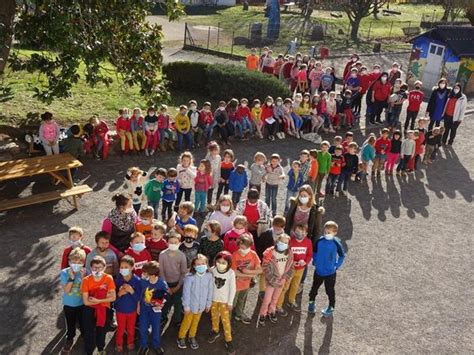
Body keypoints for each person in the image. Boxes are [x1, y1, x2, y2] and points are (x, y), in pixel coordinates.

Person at [308, 221, 346, 317]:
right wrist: (315, 261)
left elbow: (342, 256)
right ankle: (311, 303)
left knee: (330, 290)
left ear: (335, 232)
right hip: (318, 271)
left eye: (329, 232)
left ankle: (331, 306)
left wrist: (336, 265)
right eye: (325, 232)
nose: (326, 234)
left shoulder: (336, 243)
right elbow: (315, 252)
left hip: (330, 273)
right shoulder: (319, 241)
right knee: (314, 288)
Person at [81, 255, 117, 355]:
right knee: (88, 330)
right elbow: (85, 302)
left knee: (101, 330)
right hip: (89, 309)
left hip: (103, 309)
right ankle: (89, 350)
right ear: (90, 268)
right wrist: (104, 299)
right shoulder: (86, 280)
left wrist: (97, 300)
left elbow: (113, 298)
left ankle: (100, 349)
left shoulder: (108, 278)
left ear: (104, 268)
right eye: (94, 267)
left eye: (100, 267)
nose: (97, 270)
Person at [177, 254, 214, 350]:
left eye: (203, 263)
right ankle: (181, 337)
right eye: (198, 264)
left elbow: (210, 290)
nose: (201, 266)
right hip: (191, 306)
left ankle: (192, 336)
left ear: (206, 264)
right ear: (194, 266)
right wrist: (186, 307)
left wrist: (208, 303)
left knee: (195, 322)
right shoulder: (190, 277)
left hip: (201, 306)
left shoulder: (209, 276)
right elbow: (186, 293)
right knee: (187, 322)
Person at [258, 234, 294, 326]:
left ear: (288, 244)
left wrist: (285, 278)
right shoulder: (270, 252)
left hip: (281, 280)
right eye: (281, 241)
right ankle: (263, 313)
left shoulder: (289, 253)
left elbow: (291, 267)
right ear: (277, 241)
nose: (283, 244)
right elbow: (265, 267)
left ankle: (272, 311)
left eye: (286, 242)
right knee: (267, 299)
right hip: (271, 281)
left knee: (275, 298)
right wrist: (273, 279)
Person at [276, 224, 312, 314]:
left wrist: (305, 262)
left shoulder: (308, 242)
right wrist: (291, 263)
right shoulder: (290, 242)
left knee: (295, 285)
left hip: (300, 269)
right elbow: (285, 254)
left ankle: (291, 300)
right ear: (293, 232)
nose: (300, 234)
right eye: (297, 232)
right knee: (285, 287)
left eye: (302, 232)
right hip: (290, 269)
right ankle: (278, 305)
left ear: (306, 233)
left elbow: (309, 254)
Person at [208, 251, 236, 354]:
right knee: (214, 317)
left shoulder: (231, 273)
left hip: (224, 302)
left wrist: (230, 302)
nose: (220, 264)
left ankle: (228, 340)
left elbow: (232, 289)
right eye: (219, 261)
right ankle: (215, 331)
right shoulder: (213, 270)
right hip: (213, 300)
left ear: (229, 263)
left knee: (225, 321)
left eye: (224, 262)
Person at [60, 248, 86, 353]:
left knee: (83, 322)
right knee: (70, 324)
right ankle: (70, 338)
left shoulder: (84, 272)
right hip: (69, 305)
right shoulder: (64, 272)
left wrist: (83, 278)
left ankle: (85, 336)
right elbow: (66, 290)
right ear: (69, 261)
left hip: (81, 304)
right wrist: (71, 278)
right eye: (74, 262)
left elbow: (83, 290)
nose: (76, 264)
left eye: (79, 262)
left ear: (83, 263)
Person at [138, 261, 168, 355]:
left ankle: (156, 345)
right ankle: (144, 345)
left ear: (153, 274)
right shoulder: (143, 281)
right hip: (144, 309)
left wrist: (162, 304)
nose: (143, 274)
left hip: (156, 310)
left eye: (145, 273)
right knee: (142, 328)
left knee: (156, 328)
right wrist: (138, 306)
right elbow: (140, 294)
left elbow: (165, 296)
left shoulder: (161, 283)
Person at [231, 235, 262, 324]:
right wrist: (248, 275)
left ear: (250, 246)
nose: (243, 250)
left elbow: (259, 270)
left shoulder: (253, 254)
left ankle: (238, 314)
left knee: (242, 299)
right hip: (236, 284)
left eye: (245, 248)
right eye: (241, 247)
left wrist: (247, 272)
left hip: (246, 284)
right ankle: (228, 317)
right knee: (233, 301)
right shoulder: (235, 255)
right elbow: (234, 271)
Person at [159, 233, 188, 329]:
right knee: (165, 302)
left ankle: (177, 319)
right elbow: (161, 271)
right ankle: (163, 317)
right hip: (165, 283)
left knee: (178, 302)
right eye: (171, 242)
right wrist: (166, 286)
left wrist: (178, 286)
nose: (173, 244)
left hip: (178, 283)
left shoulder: (181, 255)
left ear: (179, 243)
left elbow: (183, 272)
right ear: (167, 243)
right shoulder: (162, 255)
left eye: (175, 242)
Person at [114, 255, 141, 353]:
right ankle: (119, 343)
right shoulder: (118, 280)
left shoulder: (137, 281)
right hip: (120, 311)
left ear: (132, 267)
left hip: (132, 311)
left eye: (126, 267)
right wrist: (119, 294)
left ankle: (130, 342)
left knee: (131, 329)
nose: (123, 269)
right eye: (121, 267)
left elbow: (139, 298)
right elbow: (113, 299)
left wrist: (132, 291)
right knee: (120, 329)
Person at [205, 141, 221, 206]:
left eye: (216, 150)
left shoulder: (218, 157)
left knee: (213, 188)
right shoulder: (208, 157)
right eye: (212, 150)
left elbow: (219, 167)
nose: (214, 152)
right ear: (210, 151)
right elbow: (205, 166)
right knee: (209, 189)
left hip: (215, 175)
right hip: (209, 175)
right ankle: (209, 203)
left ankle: (210, 202)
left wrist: (219, 176)